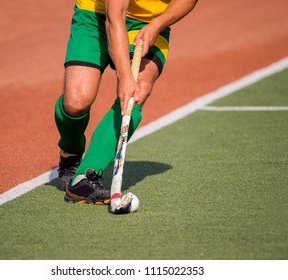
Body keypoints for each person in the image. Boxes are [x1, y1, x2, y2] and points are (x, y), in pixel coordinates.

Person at [54, 0, 199, 204]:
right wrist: (124, 77)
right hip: (95, 16)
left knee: (138, 91)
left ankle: (84, 178)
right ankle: (70, 151)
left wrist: (158, 24)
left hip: (148, 24)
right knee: (76, 103)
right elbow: (114, 19)